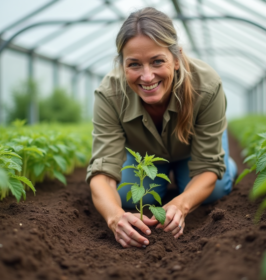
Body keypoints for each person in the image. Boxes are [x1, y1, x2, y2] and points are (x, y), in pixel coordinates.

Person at [86, 7, 237, 249]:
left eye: (157, 61)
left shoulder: (206, 85)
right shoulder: (110, 93)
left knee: (216, 188)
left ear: (176, 59)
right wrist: (115, 217)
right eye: (134, 64)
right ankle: (164, 179)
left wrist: (181, 204)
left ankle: (226, 166)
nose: (147, 77)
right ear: (122, 65)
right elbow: (102, 172)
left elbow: (207, 165)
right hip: (147, 158)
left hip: (192, 154)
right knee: (129, 197)